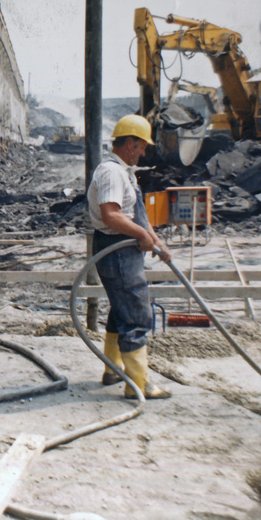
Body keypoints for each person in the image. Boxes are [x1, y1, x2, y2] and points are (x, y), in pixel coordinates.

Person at [87, 114, 172, 399]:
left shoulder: (125, 172)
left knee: (121, 308)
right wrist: (141, 236)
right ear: (131, 143)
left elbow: (134, 214)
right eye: (143, 146)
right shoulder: (111, 172)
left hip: (124, 246)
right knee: (136, 312)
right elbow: (112, 216)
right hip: (116, 247)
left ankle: (113, 369)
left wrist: (155, 240)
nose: (145, 152)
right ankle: (138, 384)